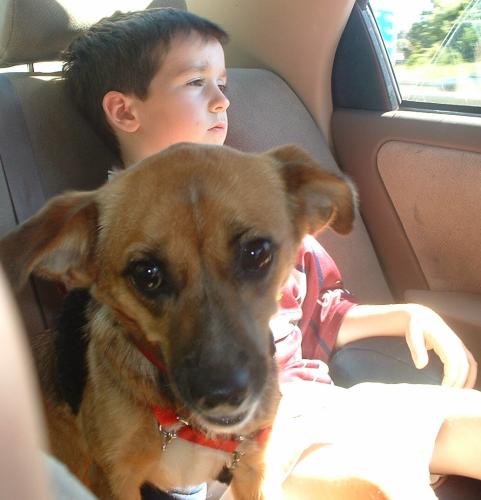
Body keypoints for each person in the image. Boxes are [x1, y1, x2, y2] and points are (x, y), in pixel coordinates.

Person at [60, 7, 481, 499]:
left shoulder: (259, 206)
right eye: (196, 82)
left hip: (315, 400)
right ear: (124, 111)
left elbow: (314, 313)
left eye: (223, 83)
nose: (222, 100)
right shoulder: (111, 250)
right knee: (379, 483)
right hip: (229, 440)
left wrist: (406, 314)